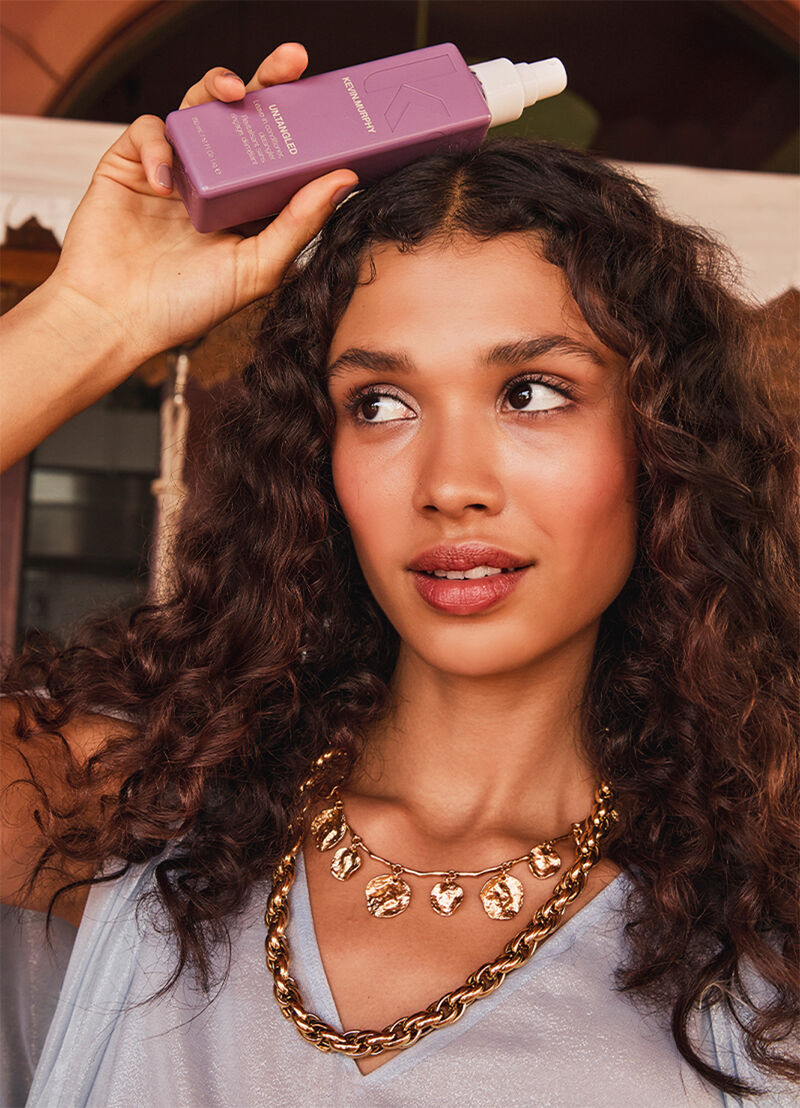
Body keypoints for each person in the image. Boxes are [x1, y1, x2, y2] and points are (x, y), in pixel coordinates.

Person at [1, 40, 797, 1108]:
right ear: (315, 460)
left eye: (531, 391)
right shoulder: (121, 811)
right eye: (378, 404)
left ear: (662, 442)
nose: (449, 484)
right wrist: (90, 318)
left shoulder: (763, 944)